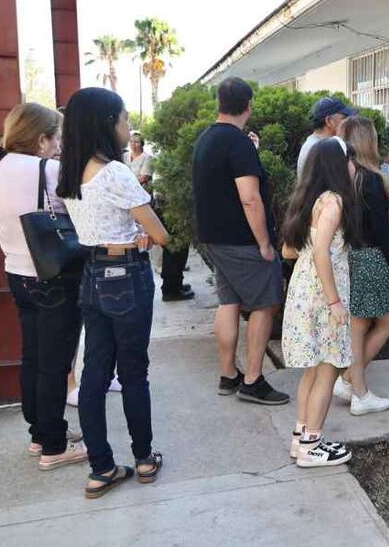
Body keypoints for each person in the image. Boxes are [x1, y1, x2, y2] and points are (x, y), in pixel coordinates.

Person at [57, 87, 169, 499]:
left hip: (92, 274)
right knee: (134, 372)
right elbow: (160, 233)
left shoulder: (70, 172)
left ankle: (101, 467)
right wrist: (142, 236)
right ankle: (143, 458)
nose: (128, 127)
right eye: (124, 118)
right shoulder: (117, 173)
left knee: (94, 374)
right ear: (107, 123)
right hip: (127, 277)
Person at [0, 102, 86, 470]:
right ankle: (55, 446)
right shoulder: (49, 169)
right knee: (55, 363)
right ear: (41, 139)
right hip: (54, 276)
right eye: (55, 137)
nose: (59, 144)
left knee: (33, 356)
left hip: (17, 273)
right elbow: (82, 212)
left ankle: (41, 433)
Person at [194, 77, 289, 405]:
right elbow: (250, 199)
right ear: (248, 105)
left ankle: (228, 374)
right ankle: (253, 379)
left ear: (220, 103)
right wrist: (264, 243)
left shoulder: (206, 138)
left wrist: (251, 151)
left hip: (214, 240)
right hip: (243, 241)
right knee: (265, 304)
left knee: (229, 302)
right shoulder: (238, 144)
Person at [281, 137, 360, 467]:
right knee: (327, 371)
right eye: (351, 160)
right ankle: (312, 447)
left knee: (313, 372)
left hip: (304, 294)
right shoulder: (334, 203)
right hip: (323, 298)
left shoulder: (308, 200)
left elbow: (289, 250)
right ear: (339, 166)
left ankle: (301, 439)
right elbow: (322, 253)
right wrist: (335, 302)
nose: (354, 166)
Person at [334, 116, 389, 416]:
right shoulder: (370, 179)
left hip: (351, 256)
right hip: (372, 257)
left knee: (360, 322)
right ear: (368, 141)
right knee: (388, 319)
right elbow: (381, 229)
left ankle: (352, 383)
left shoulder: (344, 178)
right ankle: (356, 387)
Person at [126, 133, 193, 301]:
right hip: (170, 204)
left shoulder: (158, 155)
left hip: (166, 202)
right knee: (175, 248)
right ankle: (171, 289)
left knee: (177, 248)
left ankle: (175, 283)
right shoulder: (168, 156)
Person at [296, 96, 357, 175]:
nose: (347, 122)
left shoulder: (315, 144)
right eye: (344, 118)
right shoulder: (322, 149)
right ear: (329, 121)